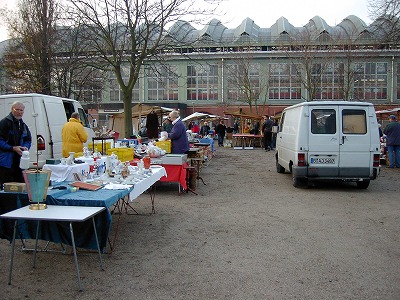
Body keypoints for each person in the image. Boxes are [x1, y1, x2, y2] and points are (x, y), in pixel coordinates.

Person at [0, 101, 32, 189]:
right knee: (6, 187)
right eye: (17, 109)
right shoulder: (4, 123)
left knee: (20, 185)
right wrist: (12, 148)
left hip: (19, 161)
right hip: (6, 162)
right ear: (12, 109)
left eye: (21, 110)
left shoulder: (23, 125)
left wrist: (25, 147)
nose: (19, 112)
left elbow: (28, 139)